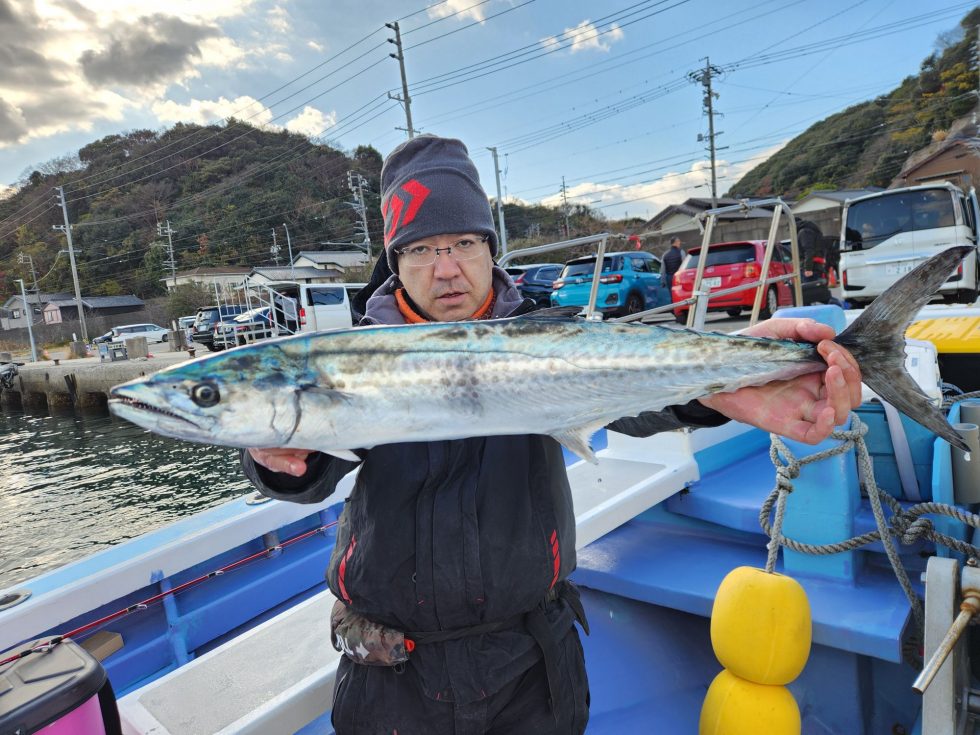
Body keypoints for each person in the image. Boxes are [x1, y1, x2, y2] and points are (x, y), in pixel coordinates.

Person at [242, 135, 862, 734]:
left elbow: (636, 405)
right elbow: (310, 470)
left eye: (463, 242)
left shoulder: (551, 339)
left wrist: (716, 388)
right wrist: (278, 461)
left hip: (533, 657)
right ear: (396, 263)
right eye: (422, 250)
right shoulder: (351, 361)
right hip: (396, 668)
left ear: (490, 249)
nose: (447, 268)